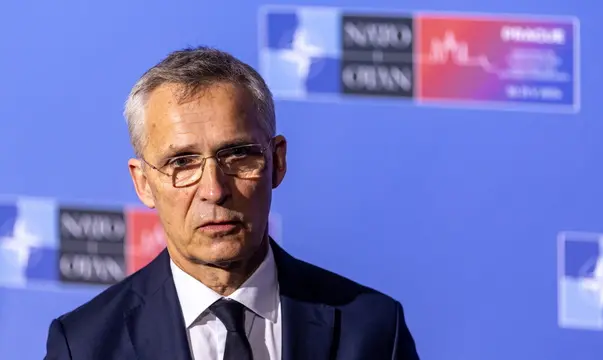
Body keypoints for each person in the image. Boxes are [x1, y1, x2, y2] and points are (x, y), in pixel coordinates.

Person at [44, 46, 419, 360]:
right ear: (143, 182)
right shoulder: (83, 346)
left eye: (238, 155)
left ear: (278, 162)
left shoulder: (373, 329)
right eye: (182, 162)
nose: (214, 189)